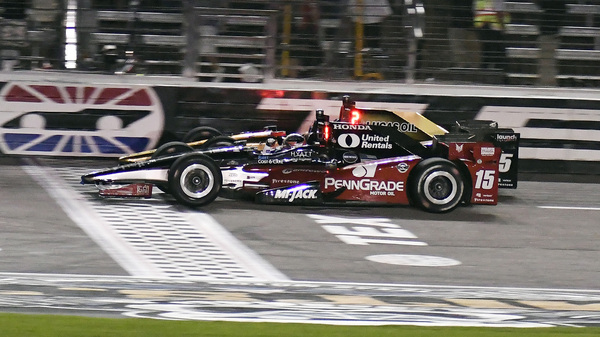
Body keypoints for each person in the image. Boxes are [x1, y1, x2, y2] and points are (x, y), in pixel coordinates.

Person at [473, 0, 510, 71]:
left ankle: (484, 69)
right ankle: (498, 71)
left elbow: (475, 12)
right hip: (495, 27)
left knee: (486, 50)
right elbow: (499, 13)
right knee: (498, 52)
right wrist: (503, 27)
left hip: (481, 26)